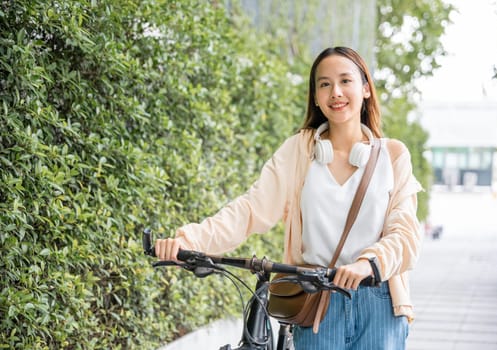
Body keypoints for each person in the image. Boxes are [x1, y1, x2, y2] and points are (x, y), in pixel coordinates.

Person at [156, 46, 423, 349]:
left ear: (365, 89)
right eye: (324, 84)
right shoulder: (300, 150)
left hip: (380, 302)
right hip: (315, 302)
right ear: (316, 96)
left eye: (345, 81)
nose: (335, 92)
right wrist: (188, 240)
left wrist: (367, 264)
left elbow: (406, 233)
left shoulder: (393, 155)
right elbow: (251, 209)